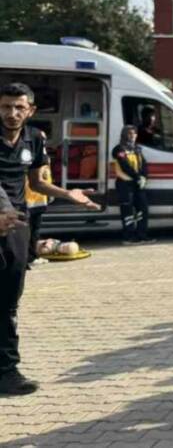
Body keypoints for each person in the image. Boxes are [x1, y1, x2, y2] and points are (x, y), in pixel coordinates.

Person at [1, 82, 100, 396]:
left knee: (8, 302)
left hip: (17, 226)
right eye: (5, 106)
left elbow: (36, 183)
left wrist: (68, 194)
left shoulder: (33, 139)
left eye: (19, 107)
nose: (12, 113)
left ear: (30, 110)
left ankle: (7, 371)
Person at [111, 125, 153, 245]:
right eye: (130, 134)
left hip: (138, 184)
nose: (133, 136)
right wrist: (138, 177)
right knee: (127, 212)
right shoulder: (118, 150)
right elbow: (125, 165)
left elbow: (143, 164)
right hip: (125, 184)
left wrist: (144, 177)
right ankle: (128, 237)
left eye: (134, 134)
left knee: (142, 210)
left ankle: (142, 235)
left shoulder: (137, 149)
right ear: (124, 135)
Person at [24, 134, 51, 268]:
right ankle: (27, 258)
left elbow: (47, 176)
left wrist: (50, 194)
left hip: (40, 199)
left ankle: (32, 256)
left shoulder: (42, 155)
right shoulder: (28, 156)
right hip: (29, 199)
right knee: (27, 232)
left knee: (35, 231)